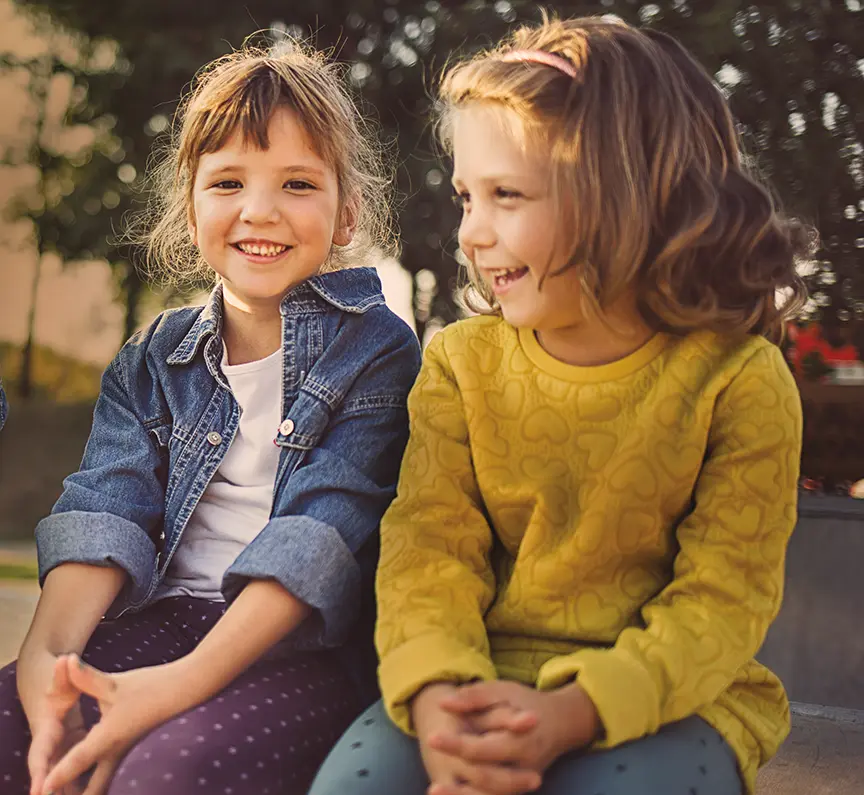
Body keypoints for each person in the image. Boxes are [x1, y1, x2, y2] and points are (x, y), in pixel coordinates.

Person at [309, 14, 810, 795]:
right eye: (466, 196)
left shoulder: (740, 381)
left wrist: (571, 715)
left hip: (670, 701)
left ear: (626, 197)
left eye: (506, 195)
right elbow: (427, 557)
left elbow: (722, 602)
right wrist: (442, 698)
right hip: (471, 676)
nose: (471, 232)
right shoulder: (458, 363)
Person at [0, 40, 420, 795]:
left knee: (168, 771)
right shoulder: (153, 357)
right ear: (190, 205)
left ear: (347, 209)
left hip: (303, 650)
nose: (260, 211)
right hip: (164, 622)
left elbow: (318, 538)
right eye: (228, 182)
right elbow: (105, 511)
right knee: (14, 727)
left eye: (297, 183)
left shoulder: (377, 350)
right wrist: (44, 663)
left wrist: (177, 686)